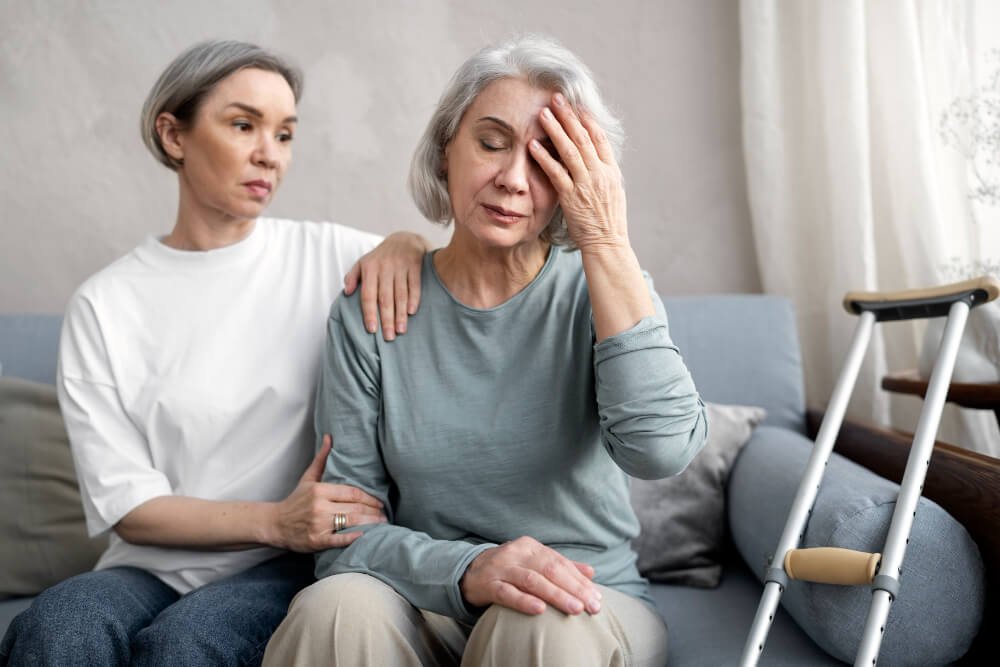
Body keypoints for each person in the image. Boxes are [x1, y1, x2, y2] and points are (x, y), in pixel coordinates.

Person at [264, 35, 709, 667]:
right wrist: (469, 568)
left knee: (535, 621)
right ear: (447, 148)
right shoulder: (372, 307)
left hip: (584, 601)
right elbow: (340, 528)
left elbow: (661, 450)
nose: (513, 178)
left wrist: (605, 239)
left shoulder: (602, 289)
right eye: (492, 143)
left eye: (548, 157)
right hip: (425, 598)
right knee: (333, 609)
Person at [0, 40, 430, 667]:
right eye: (243, 125)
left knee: (189, 642)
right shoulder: (105, 304)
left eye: (285, 134)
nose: (269, 155)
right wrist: (275, 518)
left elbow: (441, 265)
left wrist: (407, 240)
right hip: (150, 567)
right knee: (59, 626)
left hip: (287, 564)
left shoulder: (329, 258)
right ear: (173, 135)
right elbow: (130, 508)